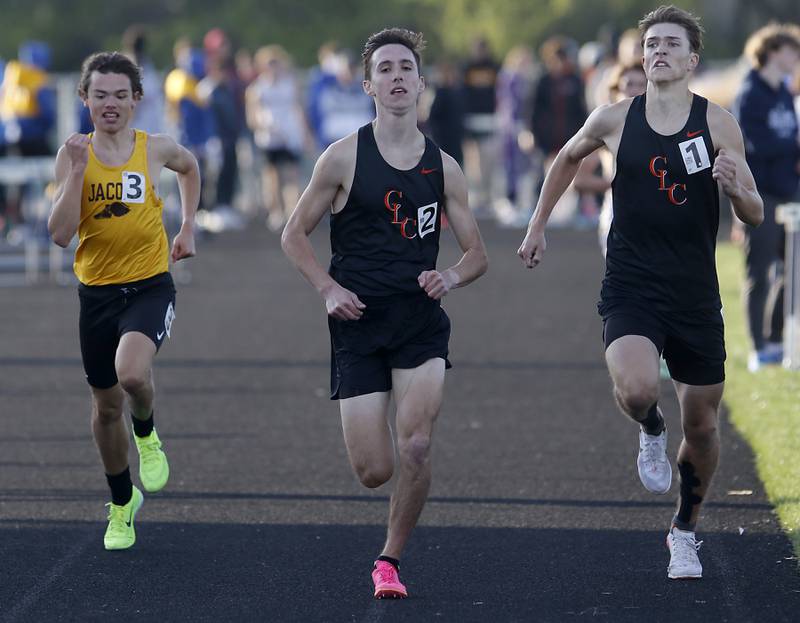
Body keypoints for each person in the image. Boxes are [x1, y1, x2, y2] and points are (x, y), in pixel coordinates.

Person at [518, 5, 763, 580]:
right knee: (635, 388)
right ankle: (650, 426)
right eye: (651, 42)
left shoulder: (718, 123)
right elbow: (566, 158)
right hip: (632, 281)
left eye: (671, 44)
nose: (658, 51)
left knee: (702, 425)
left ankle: (683, 532)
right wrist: (537, 226)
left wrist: (736, 190)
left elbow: (753, 211)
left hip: (696, 291)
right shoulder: (614, 118)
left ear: (692, 59)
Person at [282, 28, 488, 599]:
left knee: (416, 445)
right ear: (368, 84)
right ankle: (389, 506)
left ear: (420, 83)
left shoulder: (444, 167)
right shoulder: (343, 156)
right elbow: (293, 234)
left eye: (406, 68)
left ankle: (389, 561)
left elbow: (477, 254)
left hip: (420, 322)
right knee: (374, 470)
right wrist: (326, 288)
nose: (397, 77)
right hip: (358, 325)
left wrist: (447, 276)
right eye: (386, 69)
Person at [48, 52, 200, 550]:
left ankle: (148, 432)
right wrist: (74, 172)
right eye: (99, 95)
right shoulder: (74, 154)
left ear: (137, 99)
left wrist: (188, 225)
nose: (109, 104)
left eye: (119, 95)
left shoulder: (153, 148)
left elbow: (190, 166)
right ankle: (121, 503)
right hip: (97, 293)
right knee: (105, 406)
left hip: (150, 284)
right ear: (85, 100)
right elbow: (59, 234)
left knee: (132, 373)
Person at [732, 24, 800, 372]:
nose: (797, 58)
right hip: (760, 194)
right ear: (773, 51)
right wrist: (794, 146)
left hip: (790, 191)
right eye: (793, 50)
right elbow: (752, 144)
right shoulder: (750, 93)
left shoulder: (784, 92)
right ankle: (758, 349)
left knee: (793, 268)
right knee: (758, 273)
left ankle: (775, 341)